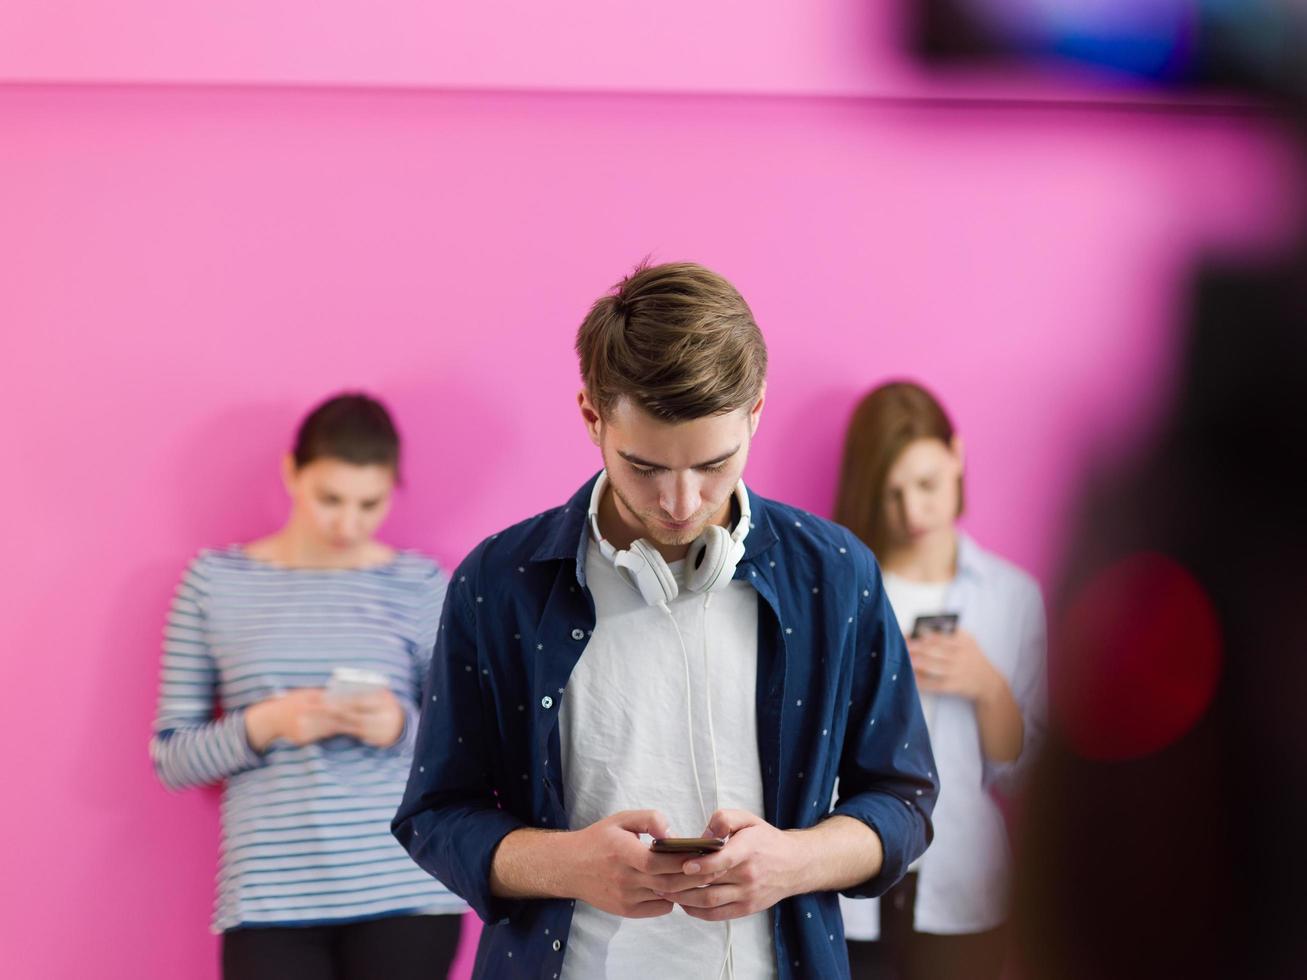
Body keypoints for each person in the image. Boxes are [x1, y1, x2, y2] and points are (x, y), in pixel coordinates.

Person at [393, 262, 939, 979]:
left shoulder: (835, 573)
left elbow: (903, 800)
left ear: (755, 412)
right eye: (644, 466)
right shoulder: (498, 582)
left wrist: (793, 862)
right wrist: (566, 865)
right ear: (591, 415)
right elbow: (434, 815)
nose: (681, 502)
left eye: (713, 464)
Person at [150, 393, 466, 980]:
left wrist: (398, 726)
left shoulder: (420, 584)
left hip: (406, 889)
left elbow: (466, 748)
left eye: (369, 503)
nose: (348, 523)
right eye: (330, 499)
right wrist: (266, 725)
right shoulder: (215, 583)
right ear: (293, 474)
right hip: (268, 897)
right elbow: (171, 758)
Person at [832, 381, 1047, 980]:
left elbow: (1021, 768)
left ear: (957, 455)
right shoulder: (848, 589)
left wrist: (987, 686)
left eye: (926, 484)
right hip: (853, 883)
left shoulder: (1011, 597)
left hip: (964, 884)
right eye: (892, 493)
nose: (913, 512)